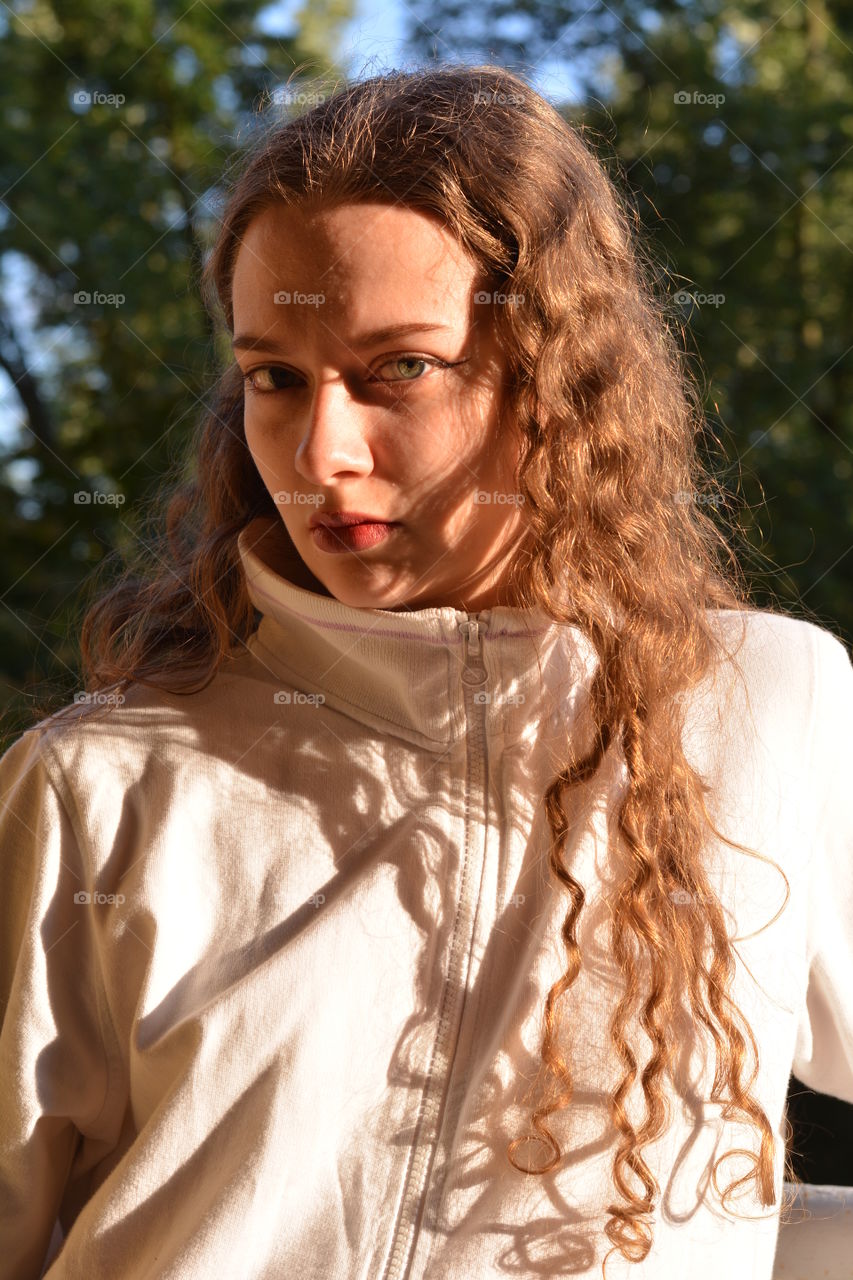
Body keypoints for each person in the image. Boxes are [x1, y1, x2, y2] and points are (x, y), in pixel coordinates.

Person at [1, 64, 851, 1280]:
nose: (321, 451)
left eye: (398, 366)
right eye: (274, 377)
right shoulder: (100, 785)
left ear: (556, 377)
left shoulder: (769, 702)